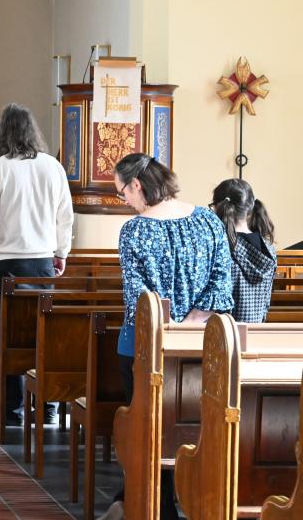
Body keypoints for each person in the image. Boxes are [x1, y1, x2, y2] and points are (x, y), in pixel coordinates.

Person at [99, 153, 233, 520]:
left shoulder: (136, 231)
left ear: (137, 185)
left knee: (148, 427)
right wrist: (193, 321)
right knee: (189, 426)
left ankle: (150, 507)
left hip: (144, 346)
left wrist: (166, 325)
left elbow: (138, 299)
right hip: (202, 345)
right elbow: (222, 284)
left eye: (122, 192)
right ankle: (175, 502)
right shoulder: (208, 222)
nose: (123, 200)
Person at [0, 103, 74, 426]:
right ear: (32, 132)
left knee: (10, 337)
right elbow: (64, 216)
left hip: (6, 265)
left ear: (3, 132)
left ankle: (13, 409)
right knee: (45, 336)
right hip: (42, 263)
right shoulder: (52, 167)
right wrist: (61, 252)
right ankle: (49, 407)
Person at [210, 178, 276, 323]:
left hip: (224, 334)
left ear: (218, 207)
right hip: (256, 332)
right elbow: (266, 302)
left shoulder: (222, 247)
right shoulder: (269, 249)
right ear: (250, 206)